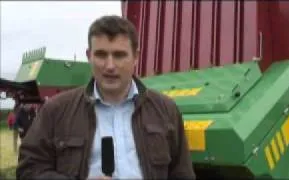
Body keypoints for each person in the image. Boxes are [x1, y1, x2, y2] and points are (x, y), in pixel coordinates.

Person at [16, 15, 195, 180]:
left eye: (119, 55)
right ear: (89, 56)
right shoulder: (56, 111)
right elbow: (29, 170)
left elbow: (182, 174)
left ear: (136, 57)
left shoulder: (166, 110)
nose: (110, 66)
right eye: (101, 55)